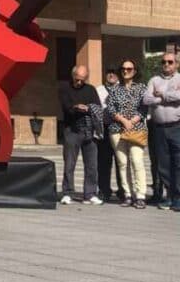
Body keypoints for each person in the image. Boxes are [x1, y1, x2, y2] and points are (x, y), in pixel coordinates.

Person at [106, 58, 148, 209]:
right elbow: (110, 108)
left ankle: (141, 195)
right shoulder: (115, 89)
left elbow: (144, 108)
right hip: (117, 130)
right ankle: (128, 194)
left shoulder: (142, 88)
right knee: (122, 163)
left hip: (136, 130)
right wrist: (124, 121)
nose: (125, 71)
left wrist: (132, 122)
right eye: (123, 69)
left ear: (135, 71)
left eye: (129, 69)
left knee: (137, 161)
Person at [58, 65, 101, 205]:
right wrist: (77, 108)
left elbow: (97, 107)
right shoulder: (65, 88)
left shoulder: (90, 89)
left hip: (89, 131)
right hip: (72, 130)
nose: (79, 83)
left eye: (82, 80)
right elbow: (67, 108)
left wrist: (87, 108)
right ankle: (67, 192)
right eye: (77, 80)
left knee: (92, 165)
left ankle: (90, 193)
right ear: (73, 76)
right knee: (69, 163)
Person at [143, 52, 180, 211]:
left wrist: (162, 94)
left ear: (176, 64)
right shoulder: (154, 80)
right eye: (164, 62)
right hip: (158, 129)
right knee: (163, 164)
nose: (166, 64)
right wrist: (164, 98)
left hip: (176, 127)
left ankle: (178, 197)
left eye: (170, 62)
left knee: (178, 163)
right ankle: (169, 196)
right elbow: (146, 99)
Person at [96, 67, 123, 202]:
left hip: (120, 129)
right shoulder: (99, 90)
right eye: (108, 72)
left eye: (114, 73)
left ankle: (123, 191)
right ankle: (104, 190)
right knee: (103, 162)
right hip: (105, 130)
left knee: (121, 161)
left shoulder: (123, 89)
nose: (111, 75)